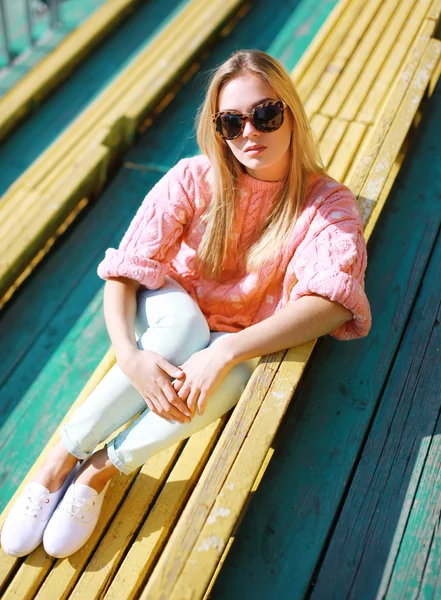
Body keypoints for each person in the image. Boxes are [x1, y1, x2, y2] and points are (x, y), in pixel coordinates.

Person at [1, 49, 371, 559]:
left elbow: (333, 301)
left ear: (291, 111)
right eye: (231, 122)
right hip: (172, 305)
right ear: (217, 129)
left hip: (235, 334)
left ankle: (102, 468)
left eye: (265, 114)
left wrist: (226, 352)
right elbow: (125, 271)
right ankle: (59, 461)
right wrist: (130, 356)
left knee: (231, 376)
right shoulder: (193, 179)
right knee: (180, 334)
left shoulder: (327, 204)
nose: (249, 133)